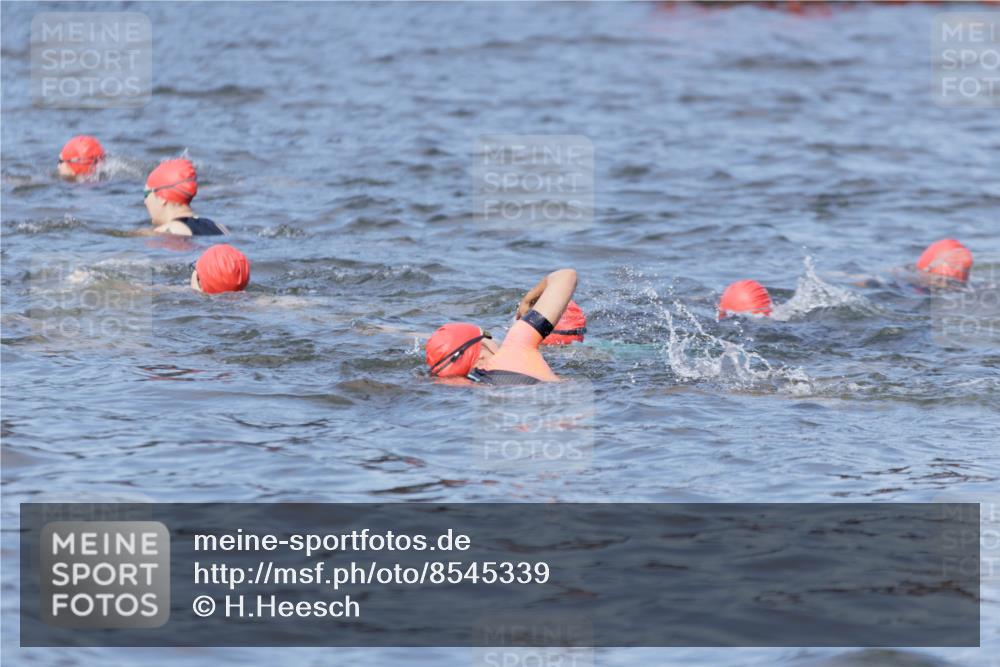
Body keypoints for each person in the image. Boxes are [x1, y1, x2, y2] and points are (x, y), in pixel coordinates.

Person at [425, 268, 578, 385]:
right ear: (481, 353)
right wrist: (527, 300)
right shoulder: (514, 349)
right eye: (487, 335)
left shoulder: (465, 383)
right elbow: (566, 276)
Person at [142, 159, 229, 236]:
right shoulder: (219, 227)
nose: (145, 201)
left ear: (162, 197)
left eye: (146, 194)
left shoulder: (170, 231)